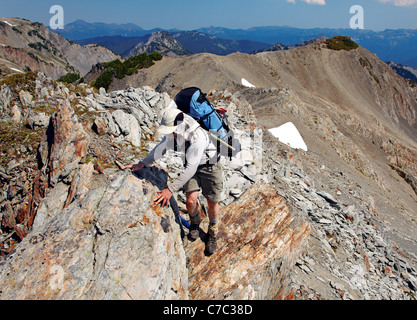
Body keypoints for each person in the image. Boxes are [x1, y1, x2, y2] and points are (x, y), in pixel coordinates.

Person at [124, 107, 224, 255]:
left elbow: (190, 168)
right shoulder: (174, 131)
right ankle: (195, 224)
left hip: (210, 166)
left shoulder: (197, 136)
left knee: (212, 202)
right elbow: (162, 148)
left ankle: (212, 232)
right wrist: (143, 163)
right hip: (192, 164)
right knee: (190, 201)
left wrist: (170, 190)